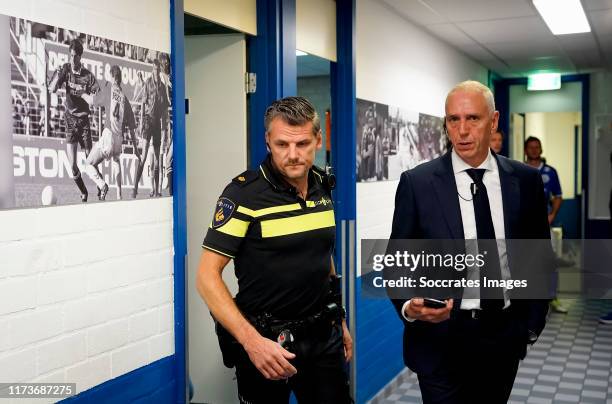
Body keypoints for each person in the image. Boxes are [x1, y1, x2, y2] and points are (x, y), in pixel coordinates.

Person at [389, 81, 551, 403]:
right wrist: (409, 305)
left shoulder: (525, 181)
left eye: (473, 119)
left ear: (493, 121)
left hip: (502, 337)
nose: (462, 130)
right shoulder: (418, 184)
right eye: (453, 120)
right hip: (440, 338)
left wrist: (530, 326)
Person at [196, 96, 352, 404]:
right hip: (267, 344)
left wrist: (340, 321)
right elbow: (206, 277)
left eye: (303, 144)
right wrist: (251, 342)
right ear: (268, 141)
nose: (293, 155)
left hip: (323, 338)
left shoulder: (323, 185)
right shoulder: (244, 194)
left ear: (318, 140)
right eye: (282, 145)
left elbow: (323, 259)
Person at [49, 38, 101, 202]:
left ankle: (101, 186)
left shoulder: (87, 76)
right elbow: (52, 89)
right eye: (70, 56)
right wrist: (57, 77)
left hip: (84, 122)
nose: (72, 59)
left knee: (90, 162)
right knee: (72, 165)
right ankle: (84, 192)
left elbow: (97, 96)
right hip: (70, 121)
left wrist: (84, 94)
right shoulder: (65, 69)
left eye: (75, 56)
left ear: (80, 57)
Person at [524, 136, 568, 314]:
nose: (534, 150)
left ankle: (552, 297)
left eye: (537, 147)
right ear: (525, 150)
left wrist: (552, 215)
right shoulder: (519, 169)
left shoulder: (550, 171)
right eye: (531, 147)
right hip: (524, 226)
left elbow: (558, 196)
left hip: (544, 225)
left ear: (541, 149)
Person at [84, 65, 141, 200]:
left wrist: (81, 94)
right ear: (120, 79)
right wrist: (136, 150)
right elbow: (132, 128)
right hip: (119, 139)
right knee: (116, 161)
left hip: (108, 135)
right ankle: (119, 195)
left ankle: (102, 184)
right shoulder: (125, 99)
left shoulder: (108, 90)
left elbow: (92, 101)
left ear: (111, 76)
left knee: (88, 164)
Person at [132, 59, 168, 198]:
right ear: (152, 69)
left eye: (158, 69)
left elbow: (165, 110)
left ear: (160, 71)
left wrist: (165, 128)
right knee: (144, 154)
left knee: (158, 160)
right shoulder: (148, 83)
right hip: (147, 121)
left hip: (157, 124)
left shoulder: (162, 87)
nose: (156, 71)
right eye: (154, 69)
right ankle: (135, 188)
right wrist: (141, 123)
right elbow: (142, 104)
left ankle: (157, 192)